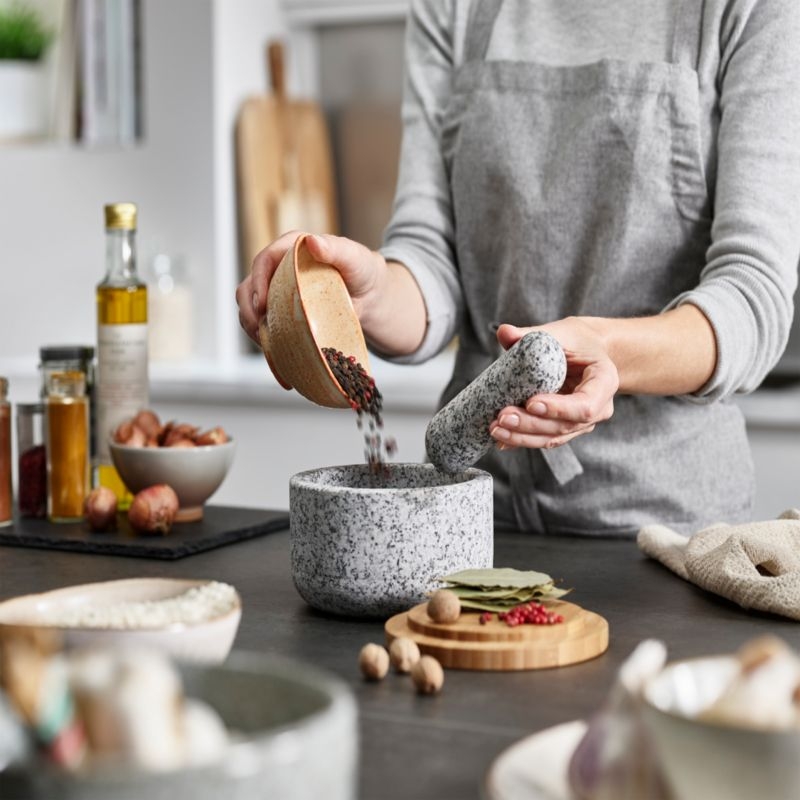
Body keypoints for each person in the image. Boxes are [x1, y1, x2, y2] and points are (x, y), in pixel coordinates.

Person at [237, 0, 800, 537]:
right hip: (476, 507)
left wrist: (605, 349)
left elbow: (753, 295)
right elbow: (431, 257)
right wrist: (368, 293)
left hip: (667, 524)